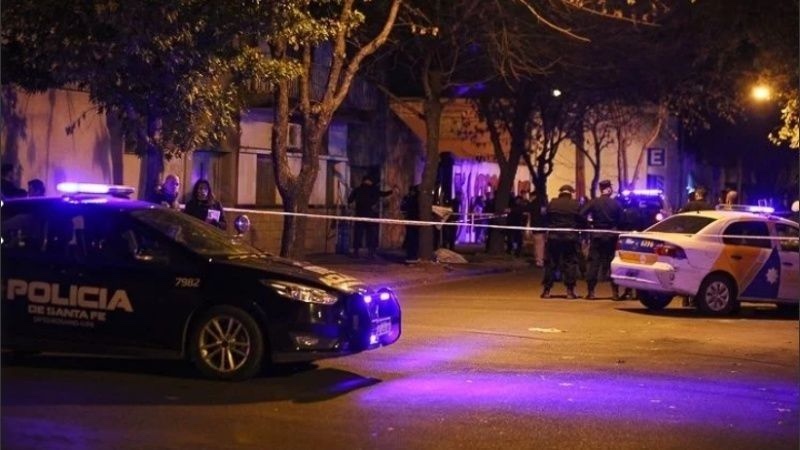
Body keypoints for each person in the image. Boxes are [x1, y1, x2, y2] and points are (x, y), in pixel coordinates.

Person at [580, 180, 623, 299]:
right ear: (609, 189)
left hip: (597, 235)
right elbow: (622, 219)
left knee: (594, 263)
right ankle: (615, 292)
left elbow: (581, 213)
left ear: (600, 189)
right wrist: (615, 226)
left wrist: (589, 225)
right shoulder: (616, 204)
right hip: (611, 236)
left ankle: (591, 292)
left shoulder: (594, 202)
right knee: (612, 264)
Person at [541, 184, 585, 299]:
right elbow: (581, 220)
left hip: (554, 237)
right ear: (571, 193)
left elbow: (545, 218)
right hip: (570, 238)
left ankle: (546, 290)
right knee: (570, 263)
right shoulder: (575, 204)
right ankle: (570, 291)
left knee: (551, 263)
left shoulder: (552, 203)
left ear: (560, 192)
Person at [347, 175, 396, 259]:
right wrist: (392, 191)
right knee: (371, 234)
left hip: (359, 214)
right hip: (370, 214)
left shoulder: (357, 189)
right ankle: (371, 253)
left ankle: (356, 252)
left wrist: (353, 206)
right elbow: (383, 194)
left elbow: (349, 200)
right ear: (369, 181)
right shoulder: (373, 189)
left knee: (358, 234)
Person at [400, 185, 421, 263]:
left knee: (411, 239)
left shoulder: (407, 198)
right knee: (413, 239)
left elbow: (402, 208)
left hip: (410, 221)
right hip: (414, 221)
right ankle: (412, 257)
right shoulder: (416, 199)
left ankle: (410, 257)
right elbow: (403, 208)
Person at [528, 190, 547, 267]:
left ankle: (539, 261)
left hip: (537, 227)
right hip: (543, 227)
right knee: (541, 244)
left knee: (538, 245)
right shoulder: (543, 204)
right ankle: (540, 259)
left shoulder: (534, 204)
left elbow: (525, 208)